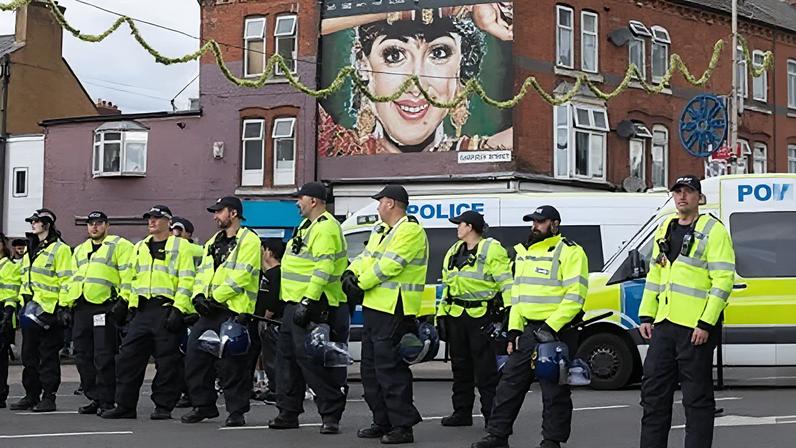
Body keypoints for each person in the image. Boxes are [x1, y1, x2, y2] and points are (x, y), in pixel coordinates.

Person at [318, 4, 513, 156]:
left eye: (439, 53)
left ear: (460, 72)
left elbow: (540, 133)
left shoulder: (476, 154)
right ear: (364, 67)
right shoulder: (336, 151)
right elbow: (301, 24)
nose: (416, 87)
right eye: (394, 55)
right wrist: (406, 8)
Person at [472, 205, 589, 448]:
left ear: (555, 224)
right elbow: (518, 297)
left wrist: (550, 326)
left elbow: (575, 296)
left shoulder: (570, 252)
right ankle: (497, 435)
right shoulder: (523, 253)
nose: (535, 226)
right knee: (508, 385)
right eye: (533, 222)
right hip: (527, 332)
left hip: (556, 333)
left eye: (541, 222)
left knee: (554, 391)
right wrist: (513, 330)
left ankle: (551, 441)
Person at [638, 175, 735, 448]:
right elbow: (655, 275)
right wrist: (646, 315)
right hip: (664, 325)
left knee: (696, 399)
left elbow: (723, 281)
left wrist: (706, 323)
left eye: (688, 192)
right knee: (653, 395)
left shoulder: (713, 230)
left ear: (699, 198)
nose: (682, 197)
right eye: (677, 191)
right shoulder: (664, 228)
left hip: (695, 329)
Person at [343, 185, 428, 444]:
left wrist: (361, 284)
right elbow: (366, 257)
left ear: (391, 203)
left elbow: (389, 266)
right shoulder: (381, 230)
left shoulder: (410, 231)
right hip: (374, 307)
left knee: (390, 371)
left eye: (380, 202)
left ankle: (403, 426)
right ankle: (382, 421)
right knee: (370, 371)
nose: (378, 206)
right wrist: (350, 272)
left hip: (394, 308)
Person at [267, 182, 349, 435]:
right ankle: (288, 412)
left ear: (313, 201)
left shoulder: (325, 228)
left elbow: (323, 268)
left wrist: (307, 301)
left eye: (300, 198)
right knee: (287, 362)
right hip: (293, 305)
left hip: (314, 304)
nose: (296, 202)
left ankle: (330, 414)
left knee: (313, 361)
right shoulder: (306, 226)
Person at [101, 205, 196, 420]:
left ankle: (163, 406)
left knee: (167, 362)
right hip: (142, 311)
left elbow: (187, 280)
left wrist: (179, 309)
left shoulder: (181, 247)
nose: (152, 222)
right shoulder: (140, 247)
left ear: (168, 222)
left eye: (157, 218)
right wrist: (125, 303)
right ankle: (125, 406)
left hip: (166, 309)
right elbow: (132, 278)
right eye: (150, 218)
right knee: (127, 359)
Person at [182, 196, 262, 427]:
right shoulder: (212, 242)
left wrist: (214, 298)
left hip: (233, 310)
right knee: (195, 357)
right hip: (210, 311)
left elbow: (243, 275)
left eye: (219, 212)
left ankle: (236, 412)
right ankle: (204, 405)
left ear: (233, 213)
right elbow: (203, 273)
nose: (215, 216)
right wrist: (198, 296)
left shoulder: (249, 240)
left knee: (232, 365)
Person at [437, 210, 512, 427]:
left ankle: (492, 417)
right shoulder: (453, 250)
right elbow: (448, 287)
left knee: (486, 371)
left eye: (459, 224)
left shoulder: (491, 249)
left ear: (469, 226)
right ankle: (462, 413)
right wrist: (441, 314)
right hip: (456, 316)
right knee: (460, 368)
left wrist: (509, 313)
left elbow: (506, 283)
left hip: (481, 317)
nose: (456, 228)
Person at [62, 211, 134, 416]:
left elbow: (128, 275)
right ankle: (95, 396)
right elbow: (71, 279)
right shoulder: (80, 250)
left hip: (105, 307)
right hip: (82, 307)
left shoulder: (119, 246)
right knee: (82, 355)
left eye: (99, 223)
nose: (94, 227)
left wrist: (123, 301)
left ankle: (107, 400)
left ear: (107, 225)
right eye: (91, 224)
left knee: (103, 356)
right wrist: (65, 305)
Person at [9, 209, 73, 412]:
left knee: (48, 356)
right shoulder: (31, 248)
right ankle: (31, 395)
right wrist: (22, 302)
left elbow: (67, 279)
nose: (33, 224)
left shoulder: (59, 249)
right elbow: (24, 279)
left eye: (36, 221)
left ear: (47, 223)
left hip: (50, 312)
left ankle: (49, 397)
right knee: (29, 357)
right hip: (31, 311)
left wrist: (63, 307)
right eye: (32, 221)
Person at [170, 216, 202, 409]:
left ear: (188, 234)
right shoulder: (174, 252)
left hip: (191, 311)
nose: (174, 234)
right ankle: (183, 391)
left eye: (178, 231)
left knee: (189, 356)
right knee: (174, 357)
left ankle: (190, 393)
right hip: (177, 309)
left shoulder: (192, 250)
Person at [252, 237, 284, 404]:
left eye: (263, 250)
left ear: (269, 252)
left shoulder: (276, 273)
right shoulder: (268, 273)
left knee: (273, 357)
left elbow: (273, 298)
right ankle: (273, 386)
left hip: (272, 321)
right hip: (264, 319)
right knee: (267, 356)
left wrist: (266, 317)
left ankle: (276, 389)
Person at [0, 233, 21, 408]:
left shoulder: (9, 266)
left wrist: (7, 313)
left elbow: (11, 292)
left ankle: (0, 394)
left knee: (0, 358)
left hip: (2, 312)